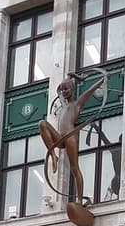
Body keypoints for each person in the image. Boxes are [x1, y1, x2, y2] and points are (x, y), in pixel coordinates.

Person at [38, 76, 107, 206]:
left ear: (72, 89)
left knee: (74, 168)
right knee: (42, 123)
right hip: (60, 137)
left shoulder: (77, 104)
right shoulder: (63, 104)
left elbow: (90, 90)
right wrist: (72, 76)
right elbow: (58, 90)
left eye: (66, 89)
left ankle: (80, 200)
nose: (63, 91)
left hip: (70, 137)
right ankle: (53, 155)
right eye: (63, 89)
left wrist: (103, 79)